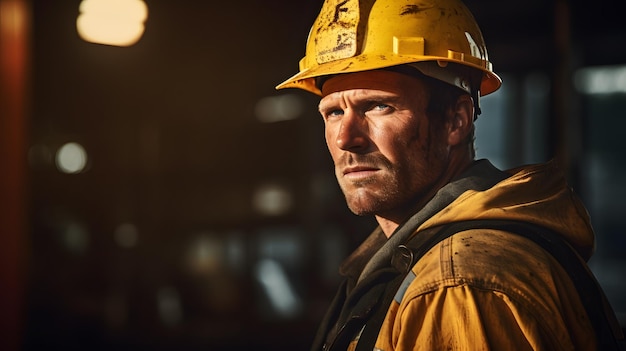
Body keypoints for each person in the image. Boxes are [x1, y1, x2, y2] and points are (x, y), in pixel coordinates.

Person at [276, 0, 625, 350]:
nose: (345, 139)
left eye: (378, 106)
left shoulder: (458, 284)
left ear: (456, 121)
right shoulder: (419, 265)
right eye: (334, 112)